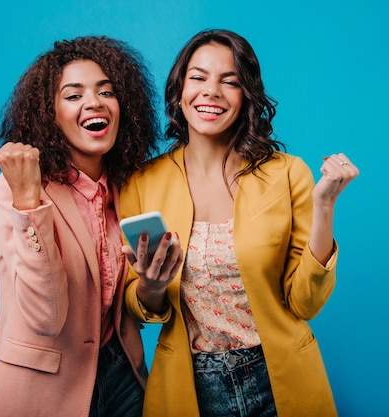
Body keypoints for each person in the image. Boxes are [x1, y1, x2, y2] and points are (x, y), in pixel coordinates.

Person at [119, 29, 359, 417]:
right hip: (190, 388)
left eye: (229, 82)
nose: (211, 91)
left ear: (246, 95)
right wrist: (150, 285)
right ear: (180, 90)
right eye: (198, 77)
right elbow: (138, 306)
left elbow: (305, 302)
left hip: (281, 380)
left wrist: (325, 205)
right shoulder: (142, 184)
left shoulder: (286, 174)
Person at [0, 35, 182, 417]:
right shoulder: (17, 190)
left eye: (107, 91)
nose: (94, 103)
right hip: (41, 390)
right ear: (48, 113)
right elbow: (46, 318)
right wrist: (28, 203)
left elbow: (133, 307)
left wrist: (152, 286)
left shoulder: (126, 189)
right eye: (73, 95)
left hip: (122, 378)